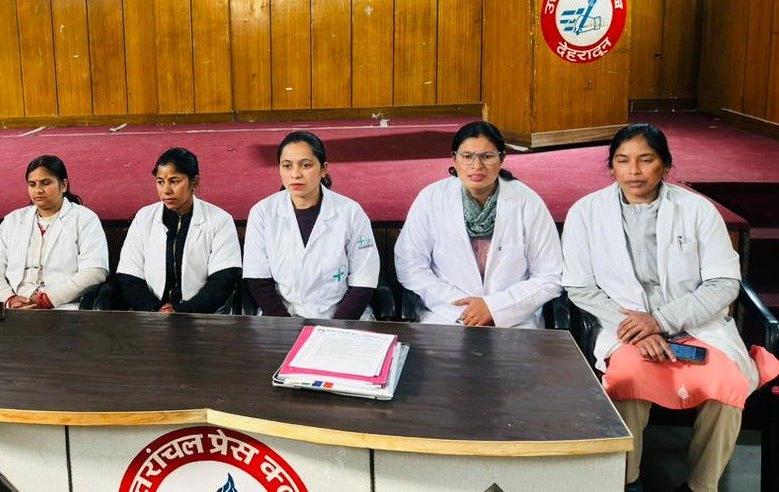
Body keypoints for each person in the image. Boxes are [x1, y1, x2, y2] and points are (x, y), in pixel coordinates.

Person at [561, 123, 779, 492]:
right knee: (626, 379)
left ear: (665, 165)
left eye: (646, 160)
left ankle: (701, 484)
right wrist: (636, 329)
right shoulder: (586, 212)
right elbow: (579, 286)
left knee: (727, 385)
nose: (634, 171)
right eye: (623, 161)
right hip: (626, 328)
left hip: (697, 325)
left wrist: (660, 321)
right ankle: (627, 480)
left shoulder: (697, 210)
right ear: (611, 167)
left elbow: (724, 283)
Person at [394, 121, 562, 328]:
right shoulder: (431, 199)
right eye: (467, 157)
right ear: (454, 159)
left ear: (502, 158)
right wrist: (467, 309)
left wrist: (495, 308)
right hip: (446, 314)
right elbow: (410, 265)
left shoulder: (527, 202)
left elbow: (549, 275)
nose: (477, 166)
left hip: (514, 317)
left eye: (487, 156)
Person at [243, 131, 380, 319]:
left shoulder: (351, 212)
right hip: (282, 320)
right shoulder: (262, 213)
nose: (295, 174)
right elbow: (258, 280)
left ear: (323, 169)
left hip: (342, 320)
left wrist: (333, 329)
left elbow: (363, 282)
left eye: (306, 165)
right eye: (287, 166)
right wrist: (286, 326)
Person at [115, 148, 241, 313]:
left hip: (201, 316)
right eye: (160, 182)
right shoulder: (144, 218)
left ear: (194, 182)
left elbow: (223, 279)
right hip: (150, 315)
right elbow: (129, 274)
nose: (166, 190)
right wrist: (155, 310)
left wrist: (182, 311)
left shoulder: (220, 220)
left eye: (174, 181)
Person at [0, 155, 108, 310]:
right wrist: (9, 298)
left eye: (46, 183)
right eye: (32, 184)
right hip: (14, 307)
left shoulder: (84, 219)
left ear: (63, 185)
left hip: (63, 306)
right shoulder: (13, 220)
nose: (38, 190)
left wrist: (48, 299)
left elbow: (95, 271)